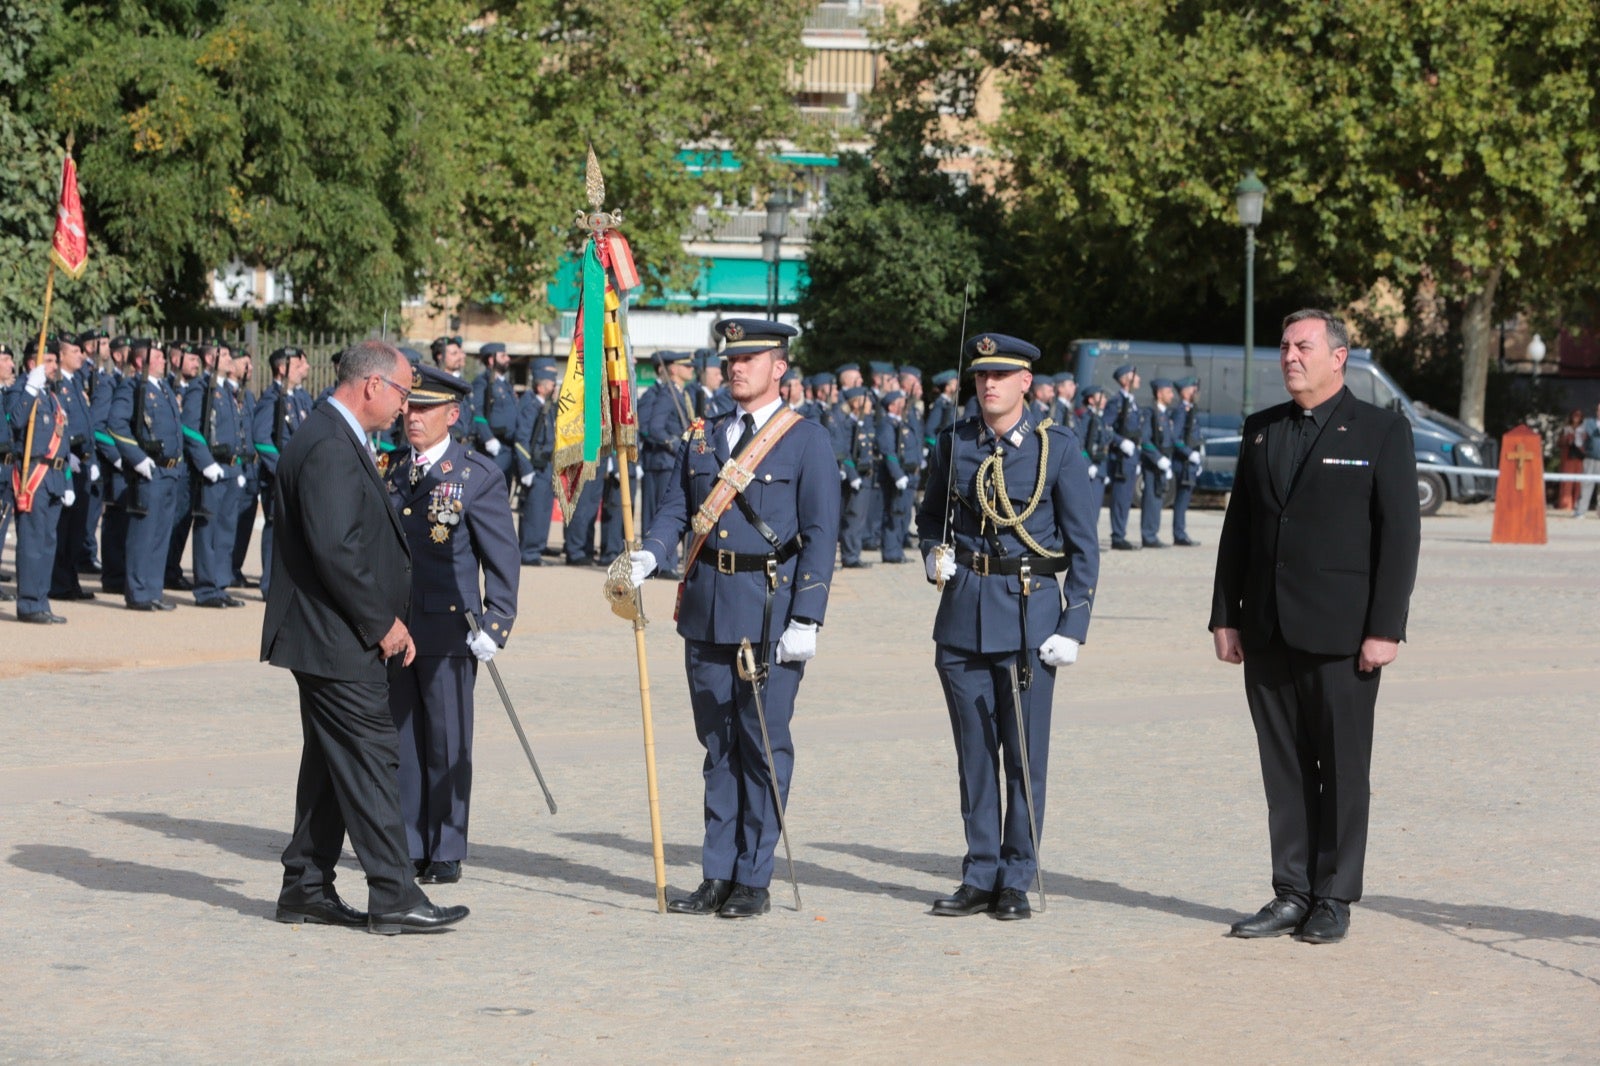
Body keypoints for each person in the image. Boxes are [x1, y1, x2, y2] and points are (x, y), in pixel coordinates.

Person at [1210, 309, 1420, 945]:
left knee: (1343, 769)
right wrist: (1225, 616)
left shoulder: (1382, 431)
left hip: (1343, 635)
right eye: (1283, 347)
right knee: (1284, 768)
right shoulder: (1260, 430)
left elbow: (1400, 537)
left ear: (1339, 356)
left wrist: (1385, 628)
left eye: (1302, 346)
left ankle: (1334, 895)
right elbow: (1238, 532)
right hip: (1268, 629)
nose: (1289, 356)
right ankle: (1291, 890)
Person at [625, 318, 840, 920]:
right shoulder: (703, 435)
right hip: (707, 607)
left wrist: (808, 617)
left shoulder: (805, 439)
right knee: (717, 746)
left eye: (752, 357)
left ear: (780, 367)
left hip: (769, 611)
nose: (736, 367)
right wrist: (652, 551)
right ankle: (716, 872)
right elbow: (677, 507)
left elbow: (821, 536)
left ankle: (754, 876)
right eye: (731, 358)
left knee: (762, 744)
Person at [261, 340, 468, 935]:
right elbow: (335, 548)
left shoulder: (334, 433)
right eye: (404, 393)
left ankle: (304, 884)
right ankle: (394, 892)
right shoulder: (328, 443)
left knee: (331, 760)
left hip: (328, 632)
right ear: (373, 386)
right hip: (336, 635)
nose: (408, 408)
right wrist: (381, 622)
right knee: (375, 754)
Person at [915, 332, 1099, 921]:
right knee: (974, 755)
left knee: (1022, 756)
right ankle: (980, 871)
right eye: (980, 376)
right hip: (964, 616)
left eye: (1001, 375)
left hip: (1028, 617)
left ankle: (1017, 874)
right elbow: (929, 519)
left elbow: (1084, 547)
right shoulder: (953, 443)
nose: (988, 385)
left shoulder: (1057, 449)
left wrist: (1075, 623)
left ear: (1026, 383)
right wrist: (931, 553)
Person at [385, 364, 520, 885]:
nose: (412, 417)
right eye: (409, 407)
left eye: (424, 408)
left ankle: (446, 845)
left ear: (453, 414)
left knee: (446, 739)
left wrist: (497, 620)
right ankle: (410, 841)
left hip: (449, 627)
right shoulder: (391, 467)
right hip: (397, 627)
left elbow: (501, 557)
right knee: (403, 739)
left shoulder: (476, 474)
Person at [110, 339, 185, 612]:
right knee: (144, 533)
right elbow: (116, 424)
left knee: (160, 534)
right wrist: (137, 458)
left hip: (169, 470)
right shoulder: (131, 387)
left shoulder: (163, 388)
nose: (164, 360)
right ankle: (138, 591)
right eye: (158, 357)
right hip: (149, 470)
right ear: (140, 362)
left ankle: (153, 589)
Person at [7, 341, 71, 624]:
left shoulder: (51, 396)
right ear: (32, 364)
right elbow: (14, 422)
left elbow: (63, 441)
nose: (54, 366)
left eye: (56, 360)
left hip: (55, 476)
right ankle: (29, 604)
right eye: (49, 360)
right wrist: (30, 389)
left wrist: (67, 480)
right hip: (34, 475)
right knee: (32, 542)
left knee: (47, 542)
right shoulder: (21, 390)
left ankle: (41, 600)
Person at [181, 343, 247, 608]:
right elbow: (189, 428)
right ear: (211, 358)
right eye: (226, 355)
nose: (231, 359)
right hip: (213, 468)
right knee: (208, 530)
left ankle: (220, 584)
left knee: (226, 530)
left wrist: (239, 466)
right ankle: (207, 588)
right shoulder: (201, 389)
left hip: (231, 468)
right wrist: (206, 462)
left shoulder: (225, 391)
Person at [252, 346, 312, 598]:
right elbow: (261, 438)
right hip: (280, 477)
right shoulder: (273, 399)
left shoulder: (296, 397)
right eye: (299, 365)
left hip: (297, 475)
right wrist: (282, 468)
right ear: (282, 368)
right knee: (276, 529)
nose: (305, 369)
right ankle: (269, 585)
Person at [513, 360, 559, 564]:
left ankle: (537, 548)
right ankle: (529, 552)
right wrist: (526, 469)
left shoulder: (546, 406)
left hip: (546, 466)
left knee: (543, 509)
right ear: (540, 386)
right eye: (551, 384)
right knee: (534, 510)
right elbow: (521, 440)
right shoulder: (530, 405)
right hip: (535, 466)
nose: (554, 387)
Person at [1104, 364, 1143, 550]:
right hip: (1121, 457)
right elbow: (1106, 428)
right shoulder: (1116, 402)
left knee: (1127, 497)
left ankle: (1121, 533)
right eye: (1135, 376)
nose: (1138, 379)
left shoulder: (1132, 401)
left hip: (1131, 456)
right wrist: (1120, 442)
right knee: (1120, 497)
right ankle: (1117, 536)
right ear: (1125, 379)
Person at [1137, 377, 1176, 548]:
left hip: (1163, 461)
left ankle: (1153, 533)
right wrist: (1157, 458)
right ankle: (1148, 535)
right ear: (1159, 393)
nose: (1172, 395)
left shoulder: (1164, 414)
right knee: (1151, 498)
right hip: (1153, 463)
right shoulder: (1150, 413)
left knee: (1158, 497)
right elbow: (1144, 440)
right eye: (1169, 392)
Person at [471, 342, 518, 479]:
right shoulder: (482, 381)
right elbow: (477, 411)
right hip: (495, 447)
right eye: (503, 356)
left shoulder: (506, 384)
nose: (508, 358)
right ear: (491, 360)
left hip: (509, 448)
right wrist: (488, 438)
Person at [1169, 377, 1203, 546]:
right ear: (1184, 392)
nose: (1196, 392)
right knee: (1181, 499)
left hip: (1190, 461)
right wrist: (1189, 453)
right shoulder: (1181, 411)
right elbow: (1175, 437)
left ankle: (1181, 531)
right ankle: (1179, 533)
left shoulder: (1191, 410)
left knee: (1185, 498)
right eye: (1193, 389)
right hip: (1183, 462)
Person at [1571, 402, 1600, 518]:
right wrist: (1582, 447)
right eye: (1599, 410)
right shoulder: (1588, 422)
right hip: (1590, 458)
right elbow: (1578, 433)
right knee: (1586, 485)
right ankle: (1580, 511)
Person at [1555, 409, 1584, 512]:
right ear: (1571, 416)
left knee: (1578, 482)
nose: (1576, 417)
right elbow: (1558, 443)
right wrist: (1567, 438)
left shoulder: (1583, 429)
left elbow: (1587, 444)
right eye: (1575, 415)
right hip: (1568, 457)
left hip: (1579, 458)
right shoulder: (1566, 428)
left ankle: (1577, 504)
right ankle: (1565, 504)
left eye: (1579, 415)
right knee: (1567, 481)